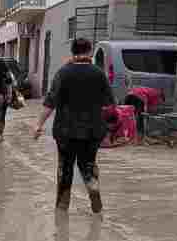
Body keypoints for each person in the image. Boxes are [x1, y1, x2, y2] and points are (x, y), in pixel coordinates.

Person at [33, 38, 116, 213]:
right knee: (88, 163)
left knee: (65, 165)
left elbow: (50, 102)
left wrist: (39, 124)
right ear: (90, 51)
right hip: (93, 129)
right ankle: (92, 185)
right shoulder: (98, 73)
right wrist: (109, 129)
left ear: (72, 51)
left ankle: (62, 205)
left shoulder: (63, 72)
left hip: (65, 130)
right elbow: (109, 104)